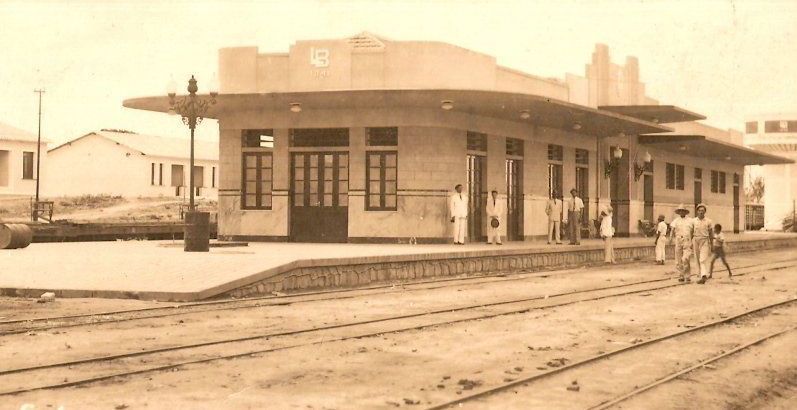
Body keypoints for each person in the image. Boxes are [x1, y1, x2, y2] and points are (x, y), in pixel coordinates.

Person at [669, 204, 693, 282]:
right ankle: (681, 275)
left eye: (683, 211)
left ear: (685, 212)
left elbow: (693, 230)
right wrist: (670, 238)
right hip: (678, 240)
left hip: (687, 240)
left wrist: (692, 240)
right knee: (678, 259)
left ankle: (687, 275)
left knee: (685, 258)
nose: (681, 212)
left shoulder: (690, 220)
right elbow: (672, 229)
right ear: (678, 212)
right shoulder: (676, 220)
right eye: (680, 211)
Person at [692, 203, 714, 284]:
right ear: (697, 211)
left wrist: (712, 244)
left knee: (702, 259)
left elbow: (711, 233)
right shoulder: (693, 221)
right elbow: (691, 232)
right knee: (697, 259)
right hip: (695, 240)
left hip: (705, 240)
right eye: (699, 210)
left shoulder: (708, 221)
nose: (701, 212)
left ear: (705, 212)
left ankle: (703, 275)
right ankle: (700, 274)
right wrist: (690, 243)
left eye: (702, 211)